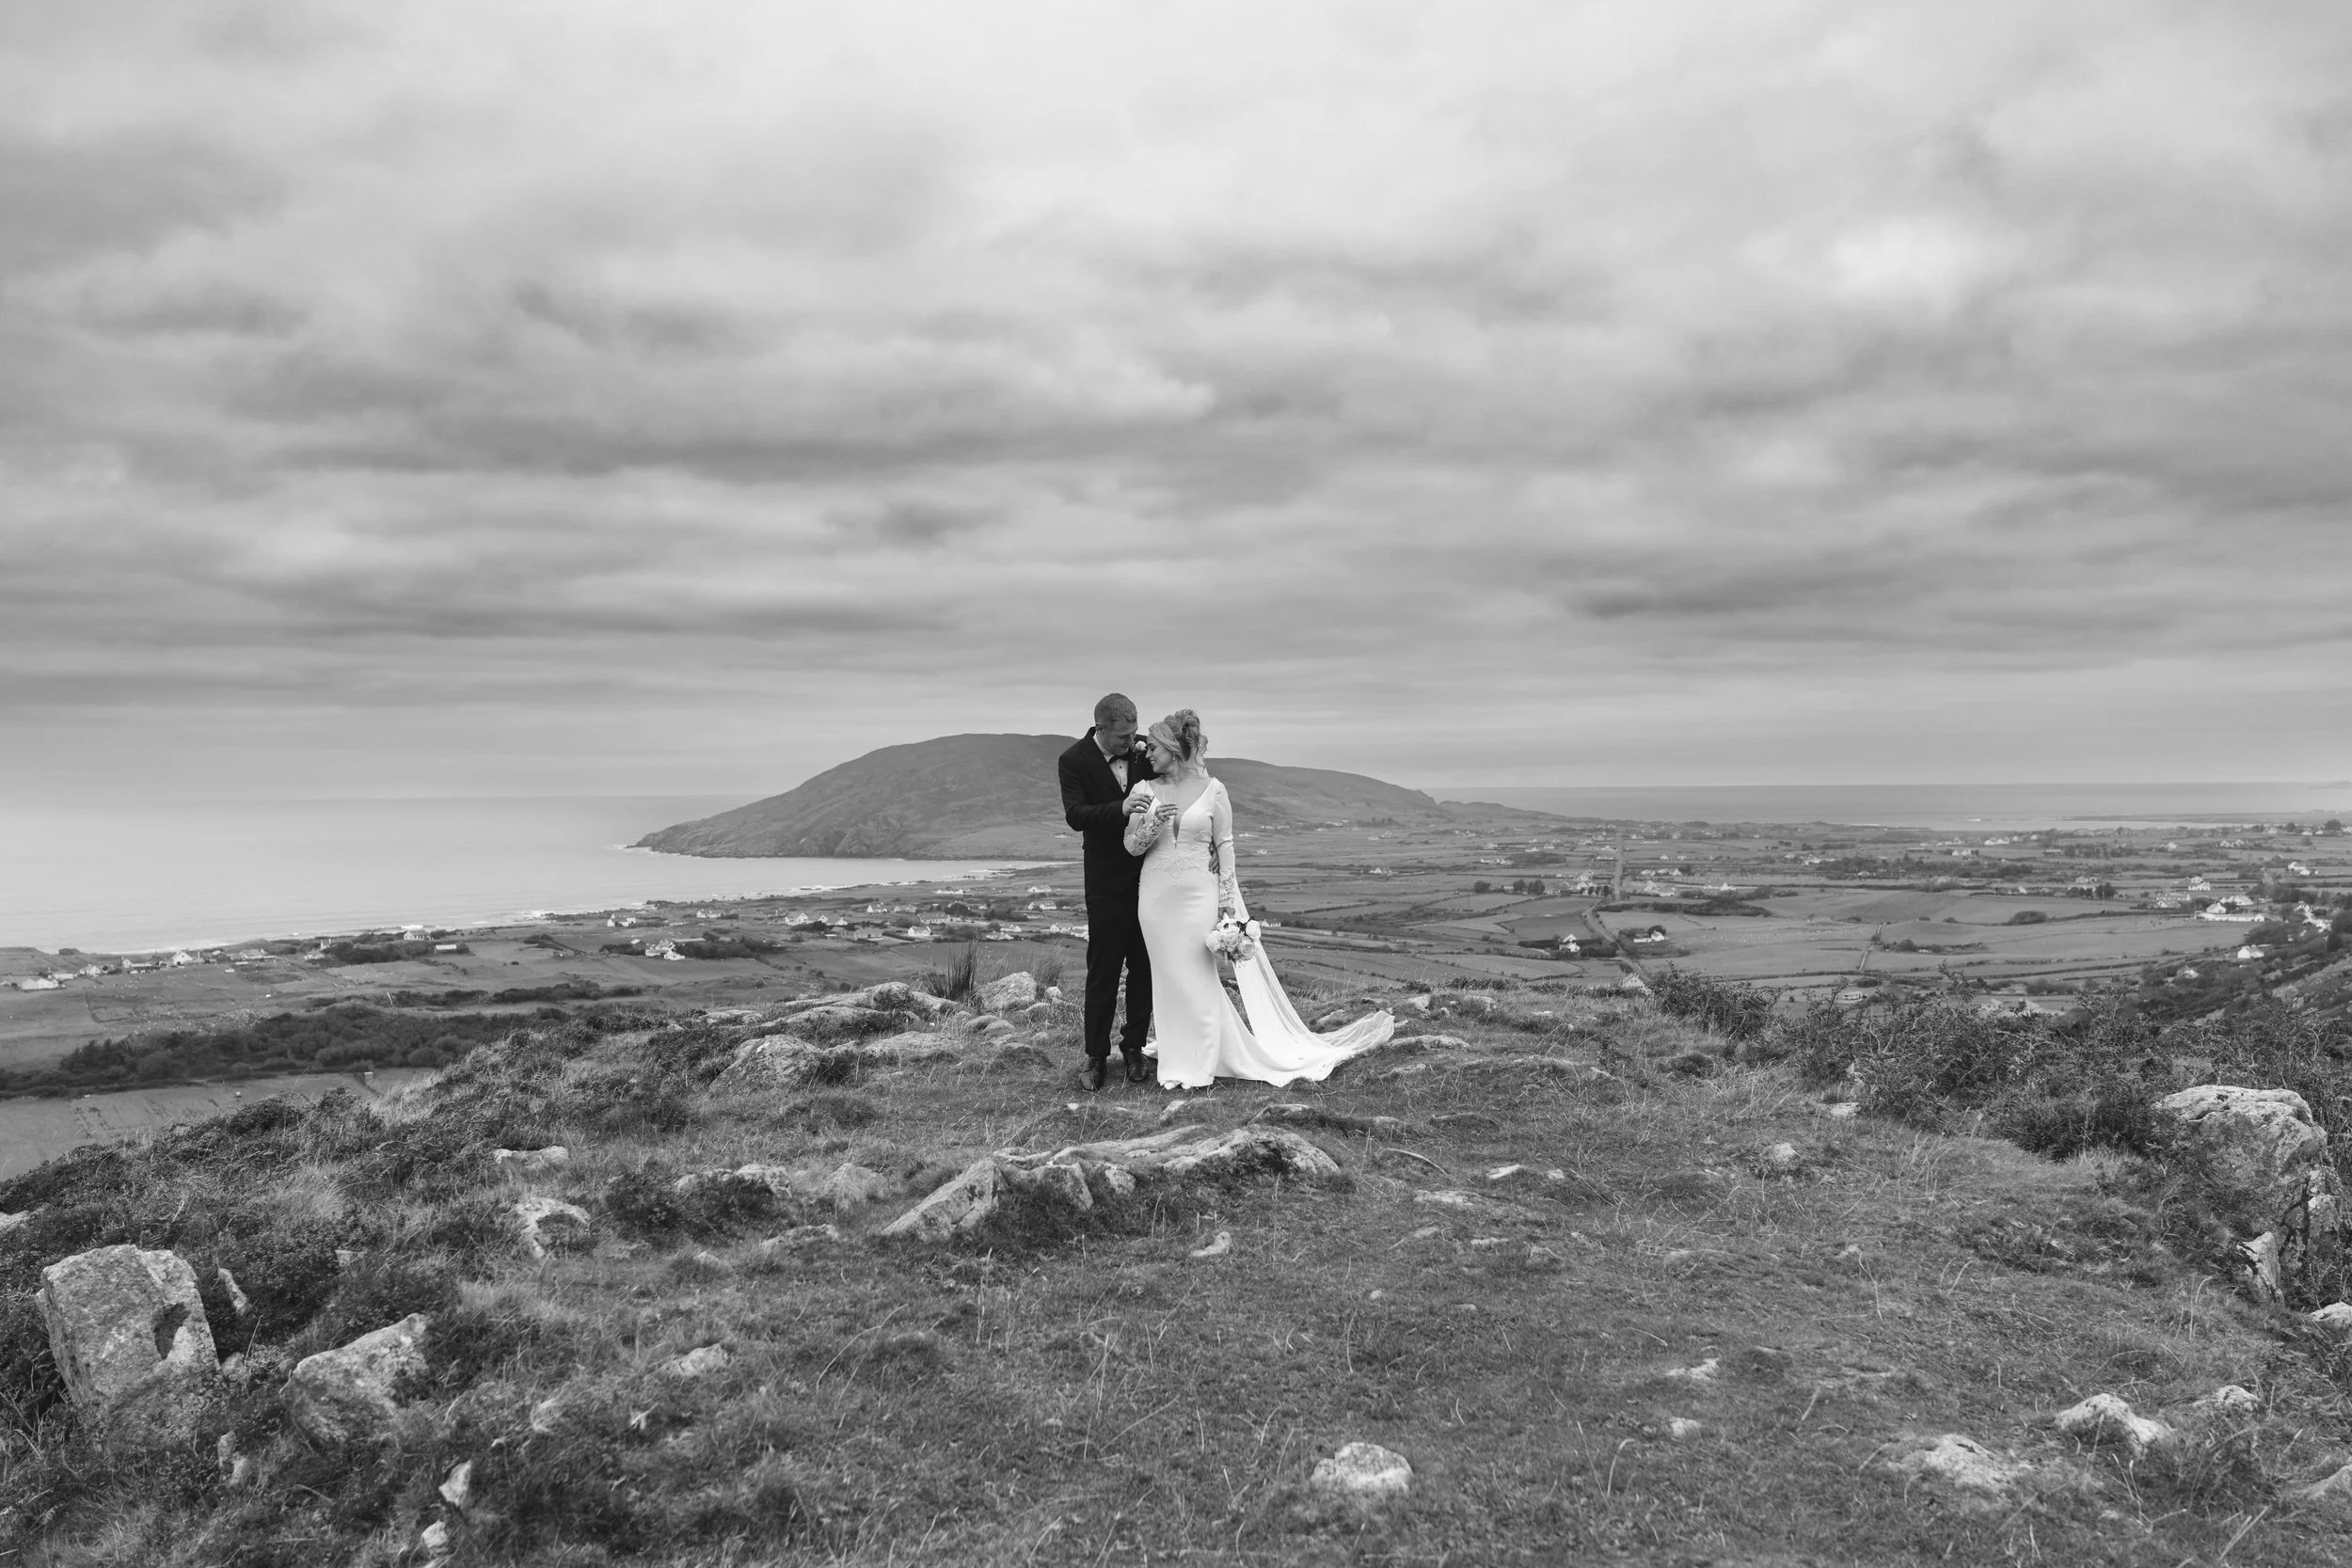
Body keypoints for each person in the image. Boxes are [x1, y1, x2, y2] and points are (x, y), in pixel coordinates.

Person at [1123, 708, 1392, 1088]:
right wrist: (1154, 822)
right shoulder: (1142, 791)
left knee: (1198, 976)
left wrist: (1228, 904)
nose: (1146, 754)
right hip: (1154, 899)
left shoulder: (1214, 790)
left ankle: (1200, 1061)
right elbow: (1132, 847)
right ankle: (1177, 1053)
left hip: (1199, 895)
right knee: (1166, 977)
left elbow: (1225, 847)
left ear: (1171, 748)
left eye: (1152, 748)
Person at [1057, 693, 1158, 1091]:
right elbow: (1076, 815)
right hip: (1103, 883)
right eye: (1122, 737)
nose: (1131, 743)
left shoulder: (1144, 750)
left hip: (1150, 878)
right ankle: (1095, 1055)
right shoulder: (1073, 760)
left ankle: (1134, 1048)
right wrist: (1121, 808)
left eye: (1134, 734)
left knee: (1144, 968)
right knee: (1103, 970)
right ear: (1100, 729)